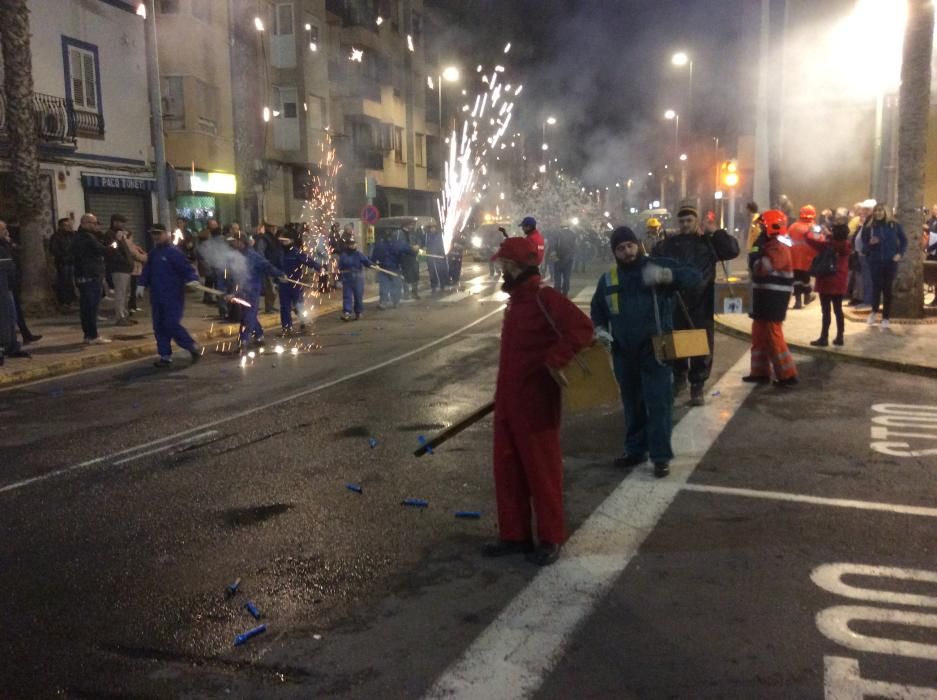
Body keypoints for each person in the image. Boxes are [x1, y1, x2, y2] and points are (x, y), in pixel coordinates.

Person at [485, 236, 593, 566]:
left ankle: (550, 538)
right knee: (508, 471)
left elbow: (583, 328)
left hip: (536, 403)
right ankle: (515, 536)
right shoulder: (517, 300)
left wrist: (554, 360)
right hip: (508, 401)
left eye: (504, 265)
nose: (501, 271)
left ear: (517, 266)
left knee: (542, 473)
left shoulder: (544, 297)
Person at [592, 226, 701, 478]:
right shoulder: (608, 280)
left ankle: (660, 456)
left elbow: (694, 276)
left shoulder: (656, 265)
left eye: (630, 245)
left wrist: (666, 275)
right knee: (632, 404)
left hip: (656, 349)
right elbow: (598, 309)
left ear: (637, 244)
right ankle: (635, 450)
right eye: (620, 248)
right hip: (622, 351)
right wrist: (599, 329)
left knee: (658, 403)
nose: (627, 252)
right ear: (614, 252)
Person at [653, 202, 739, 406]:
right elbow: (654, 260)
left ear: (696, 221)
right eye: (681, 220)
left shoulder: (707, 242)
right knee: (676, 343)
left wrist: (716, 231)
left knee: (702, 346)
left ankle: (697, 386)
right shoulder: (669, 244)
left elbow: (732, 250)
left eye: (689, 220)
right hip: (675, 302)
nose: (684, 224)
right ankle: (679, 380)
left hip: (702, 302)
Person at [137, 224, 202, 368]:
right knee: (159, 326)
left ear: (166, 234)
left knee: (171, 324)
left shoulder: (174, 253)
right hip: (157, 296)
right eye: (153, 234)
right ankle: (165, 355)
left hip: (173, 296)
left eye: (158, 233)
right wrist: (141, 284)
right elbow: (147, 270)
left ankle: (191, 345)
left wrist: (193, 279)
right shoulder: (154, 253)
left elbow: (186, 269)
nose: (155, 237)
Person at [745, 210, 798, 387]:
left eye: (762, 226)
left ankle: (787, 375)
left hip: (773, 298)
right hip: (764, 296)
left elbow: (762, 267)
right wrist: (757, 250)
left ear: (770, 226)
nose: (759, 229)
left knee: (773, 335)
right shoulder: (770, 243)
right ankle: (759, 372)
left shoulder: (779, 246)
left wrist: (754, 256)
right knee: (759, 334)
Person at [229, 231, 285, 348]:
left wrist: (279, 274)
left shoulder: (253, 256)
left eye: (235, 241)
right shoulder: (236, 256)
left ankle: (243, 339)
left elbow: (267, 266)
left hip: (252, 290)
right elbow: (231, 275)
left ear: (241, 242)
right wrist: (230, 292)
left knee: (248, 315)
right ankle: (259, 334)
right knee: (248, 314)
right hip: (241, 290)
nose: (233, 244)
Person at [807, 210, 851, 347]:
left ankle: (824, 337)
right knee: (838, 310)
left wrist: (813, 231)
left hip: (826, 281)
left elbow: (809, 239)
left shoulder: (827, 244)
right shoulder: (846, 246)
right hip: (839, 282)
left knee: (826, 311)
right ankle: (840, 337)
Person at [862, 203, 908, 329]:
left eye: (880, 210)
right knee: (876, 288)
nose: (877, 213)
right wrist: (870, 245)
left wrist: (899, 254)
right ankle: (874, 312)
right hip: (875, 262)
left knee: (887, 289)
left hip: (890, 262)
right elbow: (863, 246)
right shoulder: (869, 226)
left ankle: (886, 317)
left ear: (886, 212)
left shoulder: (894, 225)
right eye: (876, 210)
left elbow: (904, 240)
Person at [71, 213, 111, 345]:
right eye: (93, 223)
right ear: (85, 223)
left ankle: (88, 335)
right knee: (91, 307)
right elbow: (102, 250)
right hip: (90, 275)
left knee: (86, 307)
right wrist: (112, 247)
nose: (96, 225)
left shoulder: (79, 236)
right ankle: (92, 335)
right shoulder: (87, 237)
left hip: (84, 275)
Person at [0, 221, 41, 345]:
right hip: (4, 285)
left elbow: (16, 252)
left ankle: (23, 335)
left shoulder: (6, 243)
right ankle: (10, 342)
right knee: (10, 314)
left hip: (11, 282)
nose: (5, 231)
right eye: (3, 229)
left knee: (15, 311)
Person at [274, 226, 320, 334]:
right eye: (281, 241)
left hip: (296, 284)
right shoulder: (279, 253)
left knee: (299, 304)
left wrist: (319, 268)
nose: (283, 243)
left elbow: (309, 261)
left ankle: (305, 322)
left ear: (291, 241)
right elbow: (274, 266)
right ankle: (286, 327)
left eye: (285, 241)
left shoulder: (296, 253)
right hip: (283, 284)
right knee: (284, 306)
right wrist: (276, 279)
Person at [104, 214, 135, 326]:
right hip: (119, 268)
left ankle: (125, 315)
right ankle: (120, 317)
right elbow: (113, 250)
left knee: (126, 293)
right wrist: (124, 260)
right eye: (121, 222)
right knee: (120, 293)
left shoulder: (120, 234)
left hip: (125, 268)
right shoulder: (110, 235)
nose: (123, 225)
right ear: (115, 222)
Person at [787, 205, 819, 309]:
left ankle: (798, 301)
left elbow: (787, 239)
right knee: (805, 279)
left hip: (794, 257)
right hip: (808, 258)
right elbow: (819, 241)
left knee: (796, 279)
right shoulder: (814, 227)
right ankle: (807, 295)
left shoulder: (793, 226)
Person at [338, 229, 373, 320]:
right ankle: (347, 312)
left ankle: (358, 312)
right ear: (348, 245)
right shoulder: (344, 255)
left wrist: (371, 265)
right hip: (347, 278)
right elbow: (340, 266)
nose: (353, 245)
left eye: (354, 244)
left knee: (358, 296)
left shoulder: (358, 254)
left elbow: (366, 262)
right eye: (351, 244)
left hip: (358, 278)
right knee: (347, 296)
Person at [371, 229, 411, 309]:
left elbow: (373, 258)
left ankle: (384, 302)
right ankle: (395, 302)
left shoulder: (379, 246)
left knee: (384, 286)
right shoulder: (398, 245)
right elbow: (406, 252)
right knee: (395, 286)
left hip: (384, 269)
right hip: (394, 269)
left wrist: (375, 264)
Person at [49, 217, 76, 310]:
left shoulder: (72, 235)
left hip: (72, 261)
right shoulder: (57, 236)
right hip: (63, 262)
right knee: (64, 282)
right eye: (66, 225)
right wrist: (64, 255)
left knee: (71, 283)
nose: (69, 227)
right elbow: (54, 249)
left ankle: (71, 300)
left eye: (70, 225)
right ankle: (64, 302)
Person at [254, 222, 280, 313]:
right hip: (267, 267)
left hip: (273, 267)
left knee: (273, 289)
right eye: (271, 227)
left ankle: (270, 306)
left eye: (275, 226)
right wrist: (265, 264)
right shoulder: (264, 239)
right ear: (267, 228)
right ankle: (269, 308)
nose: (274, 229)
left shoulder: (273, 238)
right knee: (271, 289)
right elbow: (260, 252)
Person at [550, 226, 576, 296]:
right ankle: (565, 292)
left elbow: (552, 245)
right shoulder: (572, 233)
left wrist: (554, 256)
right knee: (567, 277)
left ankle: (557, 291)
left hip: (558, 258)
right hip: (569, 259)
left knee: (557, 276)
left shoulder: (557, 233)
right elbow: (574, 246)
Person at [126, 229, 148, 315]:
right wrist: (146, 257)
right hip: (133, 270)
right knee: (132, 289)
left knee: (134, 289)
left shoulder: (133, 245)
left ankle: (133, 306)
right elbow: (137, 256)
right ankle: (131, 307)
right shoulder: (129, 245)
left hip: (136, 270)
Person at [424, 223, 448, 295]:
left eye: (434, 227)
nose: (432, 229)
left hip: (439, 257)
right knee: (432, 273)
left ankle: (442, 286)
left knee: (440, 271)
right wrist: (425, 250)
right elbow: (424, 245)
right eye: (431, 228)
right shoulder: (426, 235)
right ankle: (433, 287)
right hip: (430, 257)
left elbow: (443, 245)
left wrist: (442, 254)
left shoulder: (440, 236)